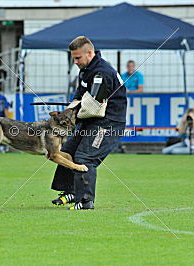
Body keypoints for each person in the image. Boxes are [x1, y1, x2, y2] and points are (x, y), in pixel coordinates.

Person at [50, 36, 127, 210]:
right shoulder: (85, 70)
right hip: (91, 120)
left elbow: (93, 107)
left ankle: (85, 200)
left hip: (108, 122)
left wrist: (71, 114)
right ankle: (70, 192)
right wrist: (67, 112)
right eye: (73, 58)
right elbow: (78, 97)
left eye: (78, 58)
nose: (75, 62)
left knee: (85, 157)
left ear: (89, 53)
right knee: (65, 152)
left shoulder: (103, 73)